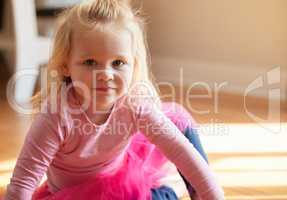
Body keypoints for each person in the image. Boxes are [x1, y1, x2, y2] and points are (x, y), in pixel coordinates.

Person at [5, 0, 224, 199]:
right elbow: (23, 183)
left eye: (118, 63)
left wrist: (212, 195)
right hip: (78, 195)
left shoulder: (133, 104)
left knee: (178, 119)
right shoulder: (56, 115)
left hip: (123, 173)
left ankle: (192, 192)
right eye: (90, 62)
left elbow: (182, 152)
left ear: (133, 66)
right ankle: (169, 190)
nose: (106, 74)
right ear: (65, 65)